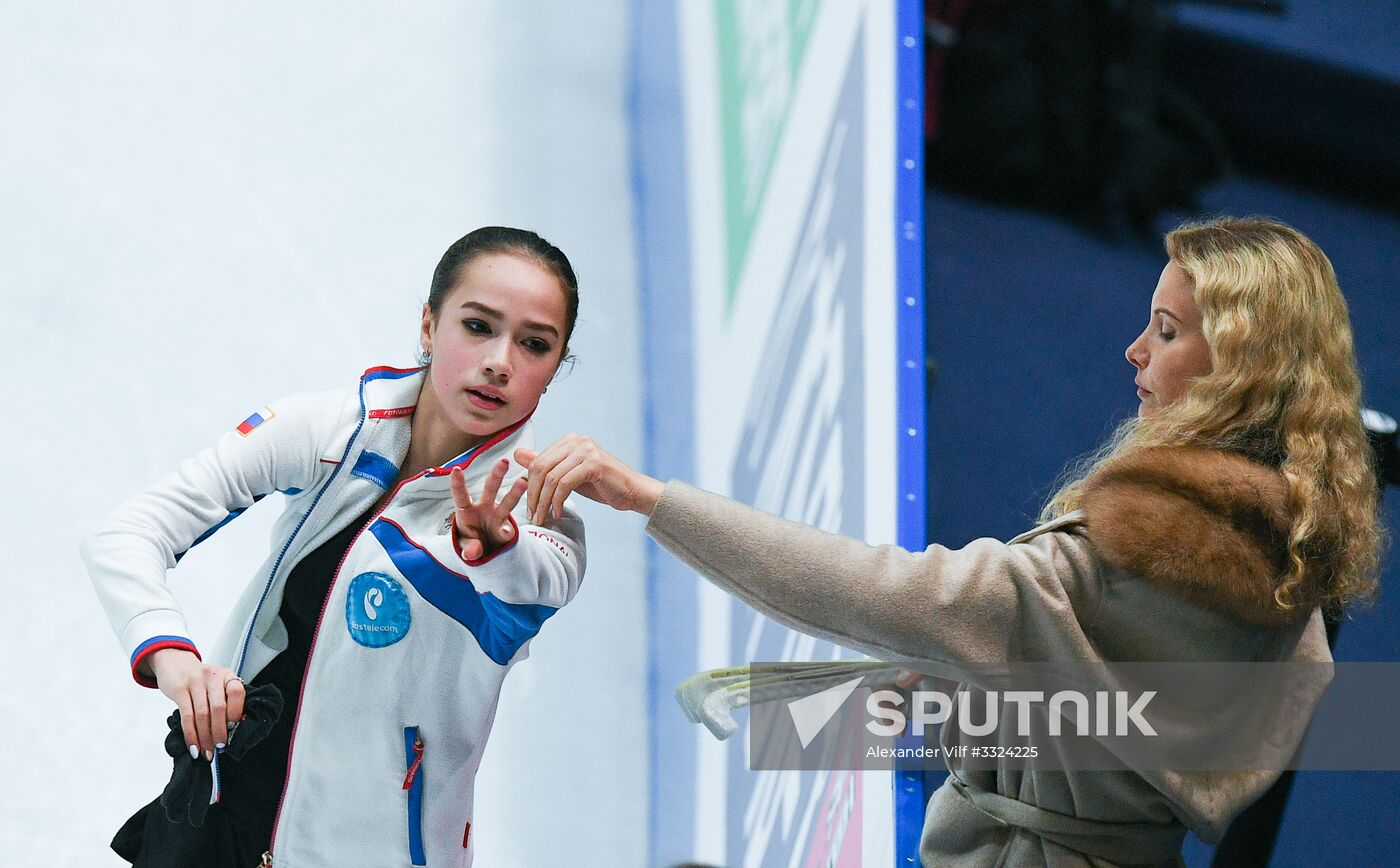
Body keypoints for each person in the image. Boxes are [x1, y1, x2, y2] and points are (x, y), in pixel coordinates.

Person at [515, 217, 1383, 866]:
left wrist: (648, 498)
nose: (1133, 351)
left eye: (1165, 329)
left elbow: (877, 591)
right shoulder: (1293, 558)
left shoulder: (1102, 570)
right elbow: (1141, 717)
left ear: (1238, 365)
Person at [82, 226, 587, 867]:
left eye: (534, 344)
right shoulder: (332, 431)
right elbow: (127, 533)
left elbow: (537, 579)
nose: (500, 361)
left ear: (554, 369)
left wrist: (494, 551)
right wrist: (174, 661)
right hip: (217, 824)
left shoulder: (535, 513)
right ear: (429, 326)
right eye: (478, 326)